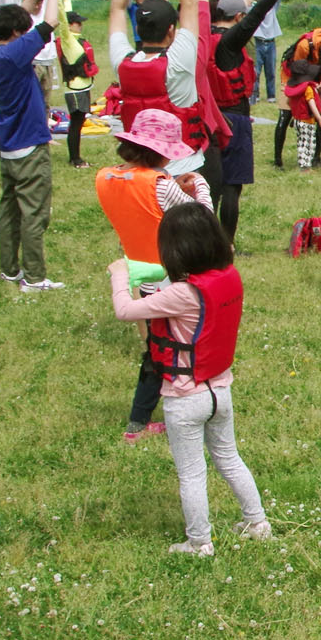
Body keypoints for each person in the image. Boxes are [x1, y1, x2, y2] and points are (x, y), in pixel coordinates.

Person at [108, 203, 272, 555]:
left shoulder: (182, 294)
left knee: (192, 473)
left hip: (185, 399)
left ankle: (199, 542)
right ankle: (257, 522)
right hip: (220, 390)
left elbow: (125, 310)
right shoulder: (228, 277)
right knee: (229, 457)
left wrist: (120, 273)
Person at [96, 109, 213, 443]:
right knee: (175, 347)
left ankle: (141, 420)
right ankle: (148, 419)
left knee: (156, 346)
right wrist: (200, 185)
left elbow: (145, 208)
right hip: (172, 273)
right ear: (160, 151)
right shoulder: (159, 184)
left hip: (139, 271)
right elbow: (202, 218)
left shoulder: (106, 178)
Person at [109, 0, 214, 200]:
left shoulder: (123, 62)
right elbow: (190, 4)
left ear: (138, 30)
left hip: (140, 175)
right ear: (172, 30)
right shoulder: (178, 62)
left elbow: (117, 8)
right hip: (183, 172)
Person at [0, 0, 64, 291]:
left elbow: (22, 16)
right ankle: (34, 277)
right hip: (30, 145)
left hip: (9, 144)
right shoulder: (16, 53)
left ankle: (10, 269)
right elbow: (50, 22)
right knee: (34, 213)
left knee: (10, 210)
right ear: (17, 33)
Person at [206, 0, 289, 246]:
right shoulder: (230, 42)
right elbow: (253, 18)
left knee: (210, 186)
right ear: (237, 17)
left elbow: (220, 9)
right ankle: (226, 244)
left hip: (209, 119)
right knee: (231, 187)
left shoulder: (205, 34)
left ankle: (206, 242)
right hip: (234, 119)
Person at [57, 0, 97, 169]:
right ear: (70, 25)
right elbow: (62, 21)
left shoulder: (77, 40)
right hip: (75, 89)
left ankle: (76, 157)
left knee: (78, 123)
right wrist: (59, 3)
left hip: (83, 87)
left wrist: (66, 0)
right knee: (75, 124)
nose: (81, 25)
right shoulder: (68, 40)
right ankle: (75, 159)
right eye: (77, 23)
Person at [282, 59, 321, 171]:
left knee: (301, 142)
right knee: (309, 143)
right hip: (307, 121)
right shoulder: (308, 89)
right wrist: (319, 118)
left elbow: (288, 102)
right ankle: (305, 167)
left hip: (297, 120)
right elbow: (312, 104)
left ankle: (302, 162)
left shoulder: (294, 88)